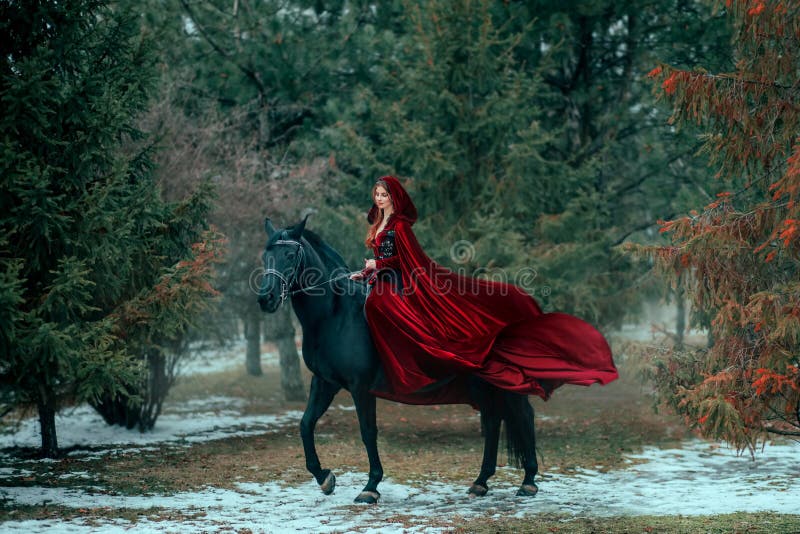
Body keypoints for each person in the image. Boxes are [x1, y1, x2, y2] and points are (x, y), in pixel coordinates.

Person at [350, 175, 618, 404]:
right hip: (380, 278)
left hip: (397, 282)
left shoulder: (400, 226)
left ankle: (409, 366)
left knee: (378, 306)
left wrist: (378, 263)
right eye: (377, 194)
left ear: (394, 197)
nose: (380, 198)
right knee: (364, 305)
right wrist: (365, 271)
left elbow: (408, 259)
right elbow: (382, 257)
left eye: (384, 194)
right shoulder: (379, 224)